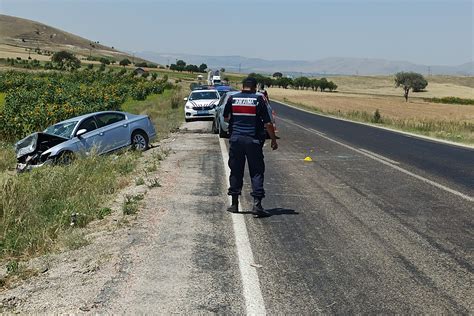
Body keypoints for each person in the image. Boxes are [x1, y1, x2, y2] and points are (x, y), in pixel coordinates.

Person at [223, 77, 278, 217]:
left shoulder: (232, 99)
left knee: (236, 171)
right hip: (253, 140)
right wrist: (273, 140)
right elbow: (268, 123)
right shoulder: (258, 100)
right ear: (254, 87)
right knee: (257, 172)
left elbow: (225, 117)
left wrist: (237, 122)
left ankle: (234, 204)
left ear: (243, 86)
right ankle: (257, 205)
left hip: (236, 139)